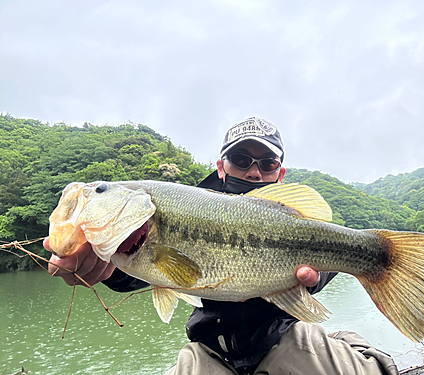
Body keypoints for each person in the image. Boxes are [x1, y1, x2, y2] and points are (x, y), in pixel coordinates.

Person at [44, 117, 399, 375]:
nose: (254, 172)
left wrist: (311, 280)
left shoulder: (295, 217)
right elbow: (141, 274)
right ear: (221, 165)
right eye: (242, 160)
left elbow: (324, 251)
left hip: (285, 335)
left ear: (280, 172)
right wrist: (104, 269)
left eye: (267, 163)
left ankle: (348, 342)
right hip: (209, 350)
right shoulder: (178, 210)